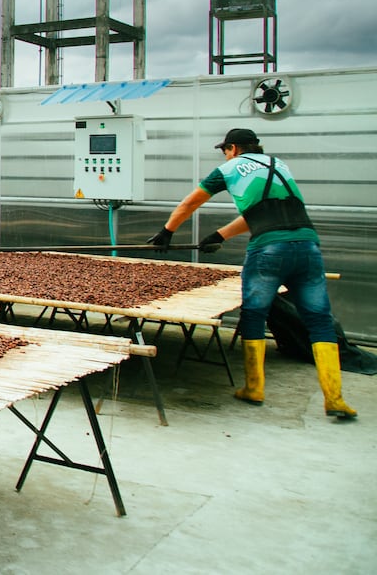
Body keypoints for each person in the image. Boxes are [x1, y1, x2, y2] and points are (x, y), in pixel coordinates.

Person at [146, 127, 356, 419]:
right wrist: (219, 235)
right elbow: (263, 213)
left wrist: (167, 232)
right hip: (308, 247)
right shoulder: (278, 165)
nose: (224, 154)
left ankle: (254, 388)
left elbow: (190, 202)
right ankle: (335, 398)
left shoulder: (228, 168)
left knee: (255, 314)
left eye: (224, 150)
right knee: (319, 320)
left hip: (269, 250)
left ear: (232, 149)